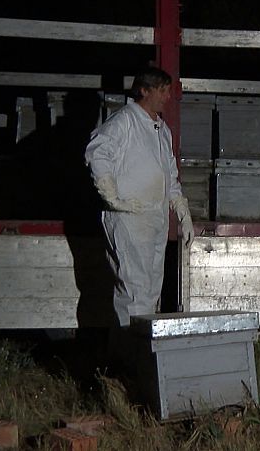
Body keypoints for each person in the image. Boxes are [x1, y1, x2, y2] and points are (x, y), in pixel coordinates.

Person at [85, 67, 194, 327]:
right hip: (129, 217)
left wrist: (182, 212)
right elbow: (97, 153)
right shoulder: (125, 121)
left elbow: (169, 174)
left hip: (154, 219)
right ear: (144, 90)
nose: (167, 96)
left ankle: (142, 353)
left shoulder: (161, 129)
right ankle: (130, 355)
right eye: (163, 90)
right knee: (134, 290)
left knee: (150, 290)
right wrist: (113, 197)